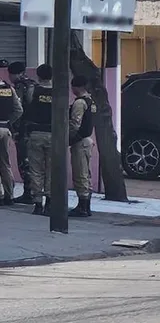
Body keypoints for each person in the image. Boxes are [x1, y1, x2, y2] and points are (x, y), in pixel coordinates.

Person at [65, 76, 96, 217]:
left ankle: (82, 207)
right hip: (87, 140)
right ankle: (85, 205)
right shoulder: (91, 101)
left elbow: (75, 124)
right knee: (86, 173)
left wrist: (69, 139)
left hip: (80, 141)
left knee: (80, 174)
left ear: (75, 87)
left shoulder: (80, 103)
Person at [24, 64, 53, 215]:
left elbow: (28, 106)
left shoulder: (33, 90)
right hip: (53, 134)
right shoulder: (58, 91)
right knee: (51, 170)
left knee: (36, 170)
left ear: (39, 75)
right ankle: (49, 202)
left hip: (36, 133)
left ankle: (37, 203)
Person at [8, 61, 35, 204]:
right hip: (34, 128)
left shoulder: (20, 86)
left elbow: (18, 108)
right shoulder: (33, 84)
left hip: (23, 129)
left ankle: (28, 192)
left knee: (24, 160)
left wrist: (11, 124)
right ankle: (33, 192)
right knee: (33, 161)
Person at [0, 75, 23, 207]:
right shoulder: (9, 88)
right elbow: (19, 110)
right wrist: (9, 122)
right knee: (5, 163)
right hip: (5, 129)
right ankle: (9, 196)